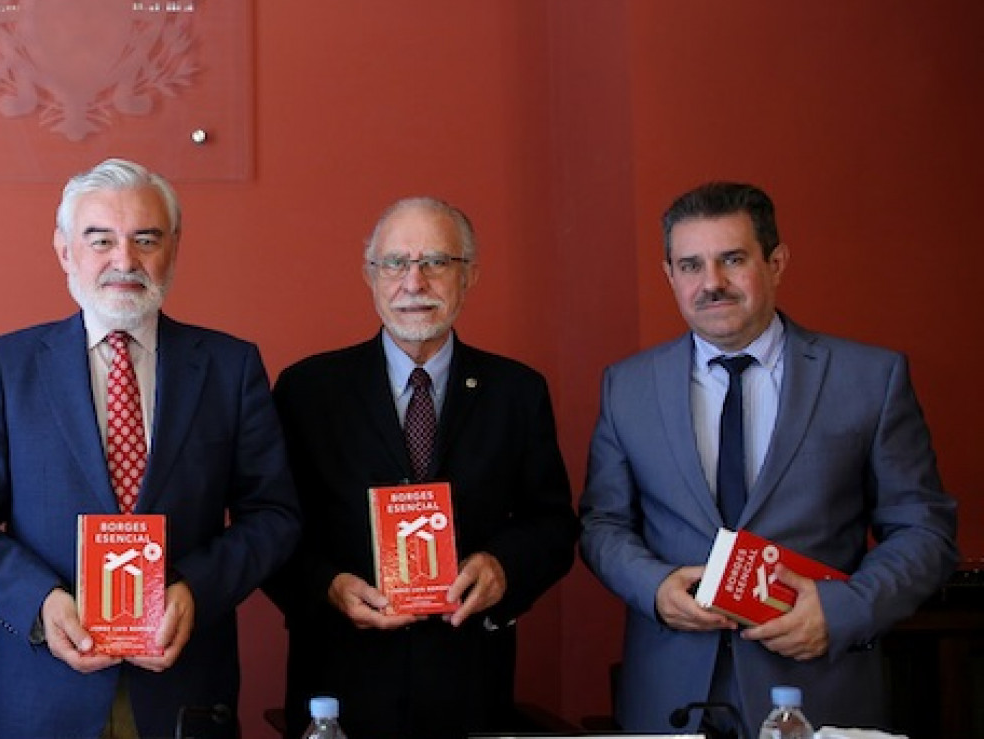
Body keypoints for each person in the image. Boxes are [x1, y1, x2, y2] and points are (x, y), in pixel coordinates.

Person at [0, 158, 300, 738]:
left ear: (173, 247)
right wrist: (39, 600)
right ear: (65, 251)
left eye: (145, 239)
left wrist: (196, 590)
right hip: (41, 693)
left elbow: (273, 514)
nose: (124, 261)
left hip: (185, 691)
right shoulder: (10, 365)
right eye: (101, 240)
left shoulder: (230, 367)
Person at [579, 181, 958, 731]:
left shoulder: (870, 379)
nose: (711, 284)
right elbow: (602, 523)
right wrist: (655, 588)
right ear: (669, 276)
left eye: (732, 259)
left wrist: (843, 609)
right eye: (690, 265)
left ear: (776, 262)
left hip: (819, 687)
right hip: (671, 695)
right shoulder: (626, 387)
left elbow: (925, 530)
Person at [264, 198, 579, 738]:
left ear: (470, 274)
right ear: (370, 275)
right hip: (340, 688)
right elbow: (269, 526)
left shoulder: (517, 392)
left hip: (469, 687)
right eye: (395, 264)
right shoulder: (307, 390)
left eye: (437, 262)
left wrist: (503, 567)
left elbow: (553, 527)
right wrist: (329, 586)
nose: (415, 282)